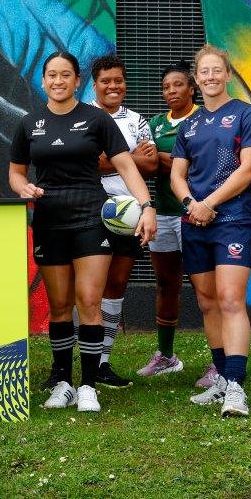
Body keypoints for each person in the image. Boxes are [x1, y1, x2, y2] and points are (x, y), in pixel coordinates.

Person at [10, 50, 156, 413]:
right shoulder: (29, 123)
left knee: (88, 302)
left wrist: (147, 207)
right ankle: (62, 382)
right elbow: (15, 171)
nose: (58, 82)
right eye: (51, 76)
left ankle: (88, 384)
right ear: (43, 81)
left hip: (91, 217)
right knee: (59, 306)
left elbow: (126, 166)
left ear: (77, 81)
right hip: (48, 221)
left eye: (65, 76)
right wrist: (22, 188)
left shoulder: (96, 119)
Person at [171, 44, 251, 417]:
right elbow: (178, 174)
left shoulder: (246, 115)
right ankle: (223, 379)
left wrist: (209, 203)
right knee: (208, 301)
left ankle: (238, 387)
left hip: (233, 221)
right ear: (196, 79)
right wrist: (190, 205)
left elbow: (249, 169)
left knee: (230, 299)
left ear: (227, 74)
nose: (210, 77)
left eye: (217, 71)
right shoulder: (189, 125)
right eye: (204, 72)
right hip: (194, 222)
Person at [90, 54, 157, 388]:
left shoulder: (137, 120)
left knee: (116, 283)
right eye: (106, 81)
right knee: (89, 287)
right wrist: (129, 159)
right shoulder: (83, 115)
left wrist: (112, 161)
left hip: (128, 213)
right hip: (90, 209)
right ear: (95, 84)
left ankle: (102, 362)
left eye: (118, 80)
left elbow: (152, 164)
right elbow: (89, 163)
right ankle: (83, 359)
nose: (113, 86)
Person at [137, 61, 199, 379]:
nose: (171, 91)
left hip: (195, 213)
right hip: (162, 213)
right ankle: (166, 355)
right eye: (165, 87)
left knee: (206, 287)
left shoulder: (203, 118)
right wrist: (171, 161)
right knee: (166, 284)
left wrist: (167, 160)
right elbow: (147, 164)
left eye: (177, 85)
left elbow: (196, 163)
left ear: (192, 88)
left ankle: (220, 361)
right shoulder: (156, 123)